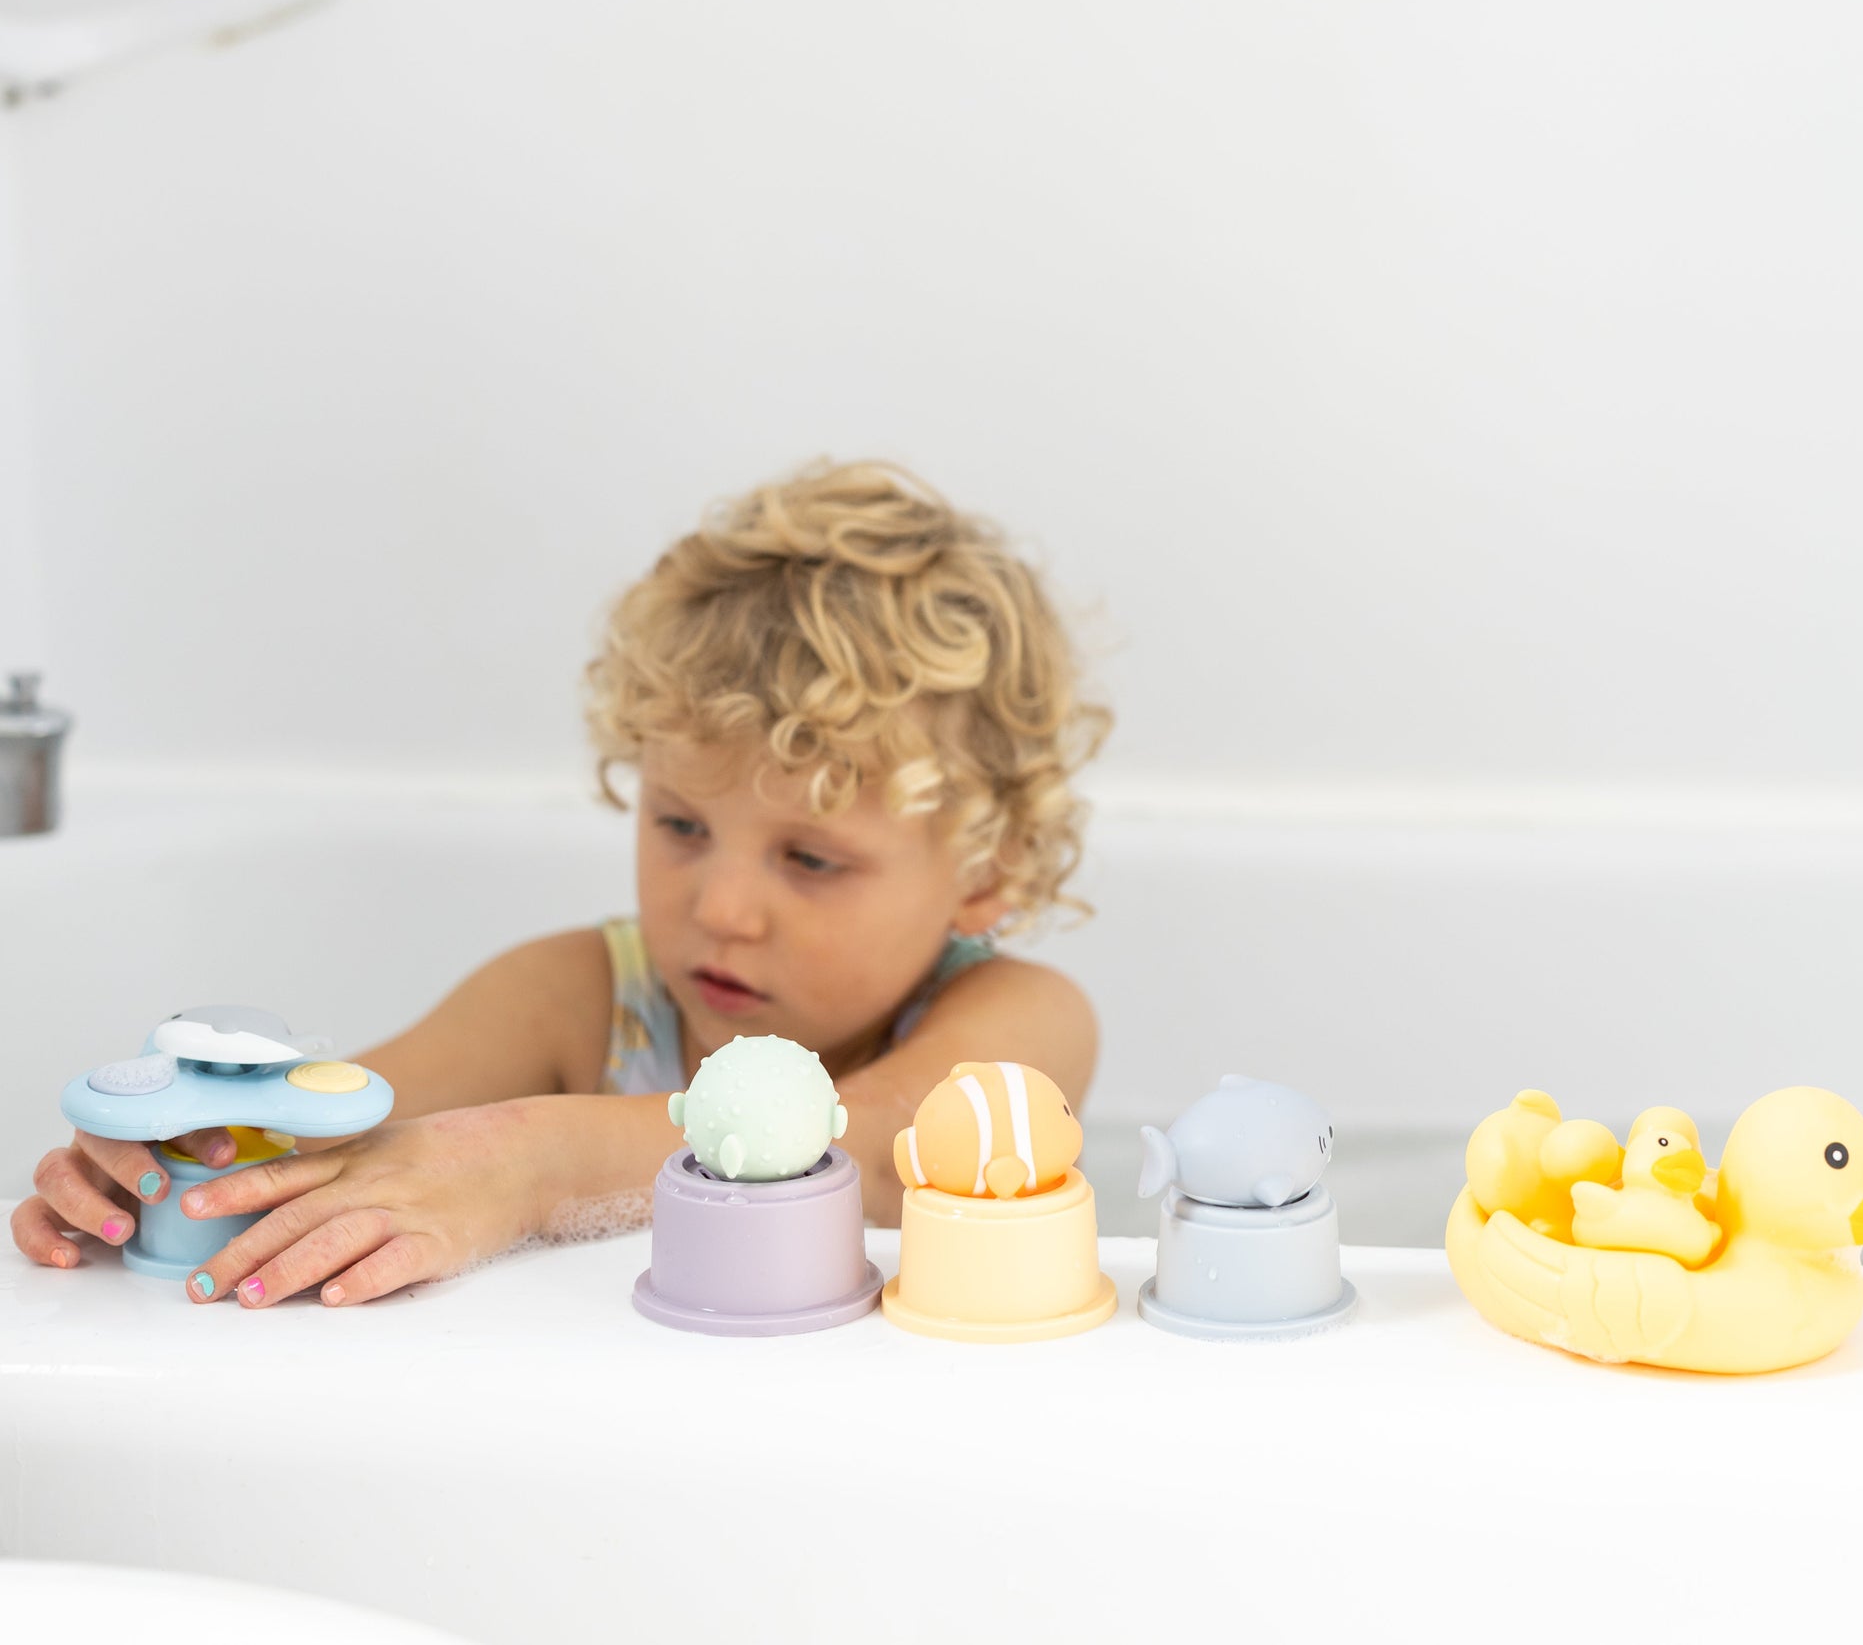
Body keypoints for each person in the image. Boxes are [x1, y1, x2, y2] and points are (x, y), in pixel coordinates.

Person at [12, 460, 1111, 1307]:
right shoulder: (581, 993)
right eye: (681, 822)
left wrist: (531, 1159)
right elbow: (346, 1122)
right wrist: (187, 1160)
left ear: (985, 875)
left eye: (809, 858)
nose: (719, 907)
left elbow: (876, 1150)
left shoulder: (1012, 1024)